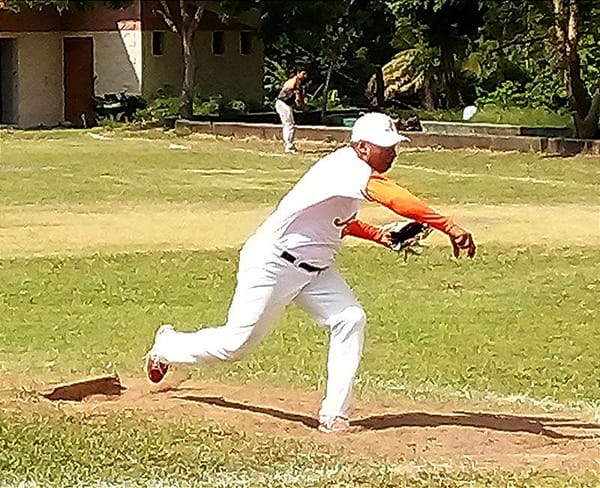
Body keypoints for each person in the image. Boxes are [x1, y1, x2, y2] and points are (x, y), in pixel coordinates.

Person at [146, 112, 476, 433]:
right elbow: (395, 199)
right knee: (237, 344)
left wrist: (380, 235)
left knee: (350, 318)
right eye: (385, 146)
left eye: (394, 145)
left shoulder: (352, 172)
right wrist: (447, 225)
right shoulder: (347, 167)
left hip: (315, 270)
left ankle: (334, 414)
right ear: (362, 147)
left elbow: (339, 223)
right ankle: (167, 346)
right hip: (272, 263)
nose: (393, 152)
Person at [274, 69, 308, 153]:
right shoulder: (296, 81)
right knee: (289, 124)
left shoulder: (292, 80)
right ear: (298, 73)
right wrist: (303, 107)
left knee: (288, 124)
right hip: (284, 104)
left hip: (282, 104)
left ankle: (288, 144)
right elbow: (298, 98)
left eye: (306, 74)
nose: (305, 76)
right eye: (303, 73)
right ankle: (289, 146)